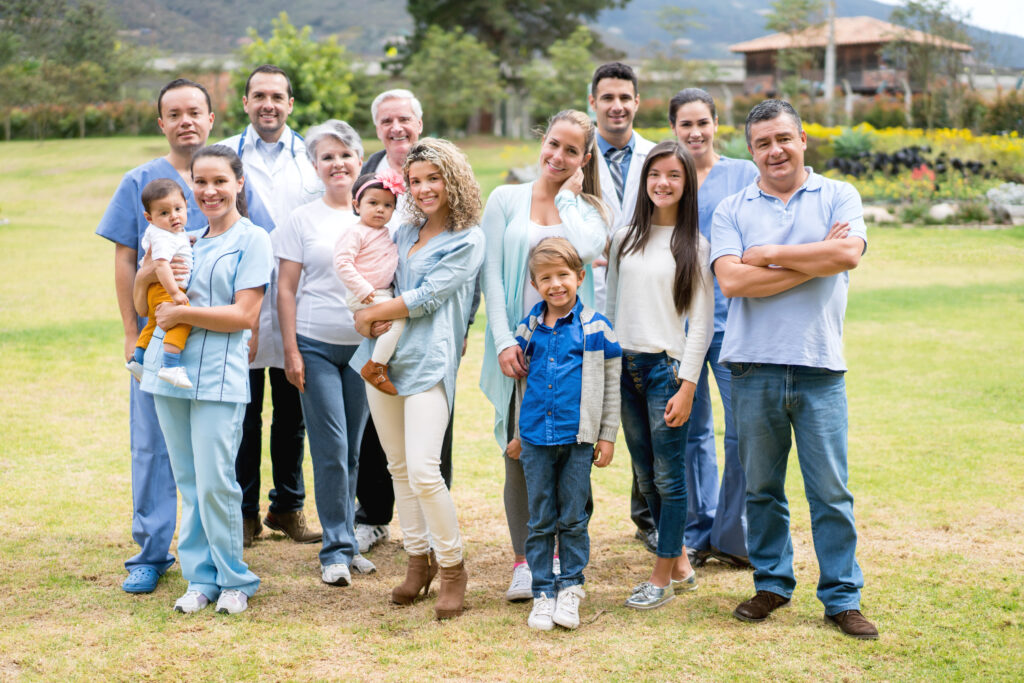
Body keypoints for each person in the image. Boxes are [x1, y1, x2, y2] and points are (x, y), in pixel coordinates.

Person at [711, 99, 878, 639]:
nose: (774, 150)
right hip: (752, 367)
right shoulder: (732, 208)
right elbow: (732, 283)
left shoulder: (839, 194)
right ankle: (772, 584)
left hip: (819, 366)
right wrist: (812, 262)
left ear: (802, 138)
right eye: (762, 142)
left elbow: (848, 256)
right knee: (762, 487)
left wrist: (767, 254)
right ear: (751, 149)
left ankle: (841, 597)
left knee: (830, 490)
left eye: (783, 138)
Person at [133, 145, 272, 615]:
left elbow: (244, 315)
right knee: (188, 481)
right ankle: (200, 578)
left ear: (238, 184)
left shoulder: (253, 240)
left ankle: (235, 578)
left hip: (217, 376)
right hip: (166, 373)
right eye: (200, 182)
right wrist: (149, 270)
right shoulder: (181, 238)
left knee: (216, 482)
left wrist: (182, 311)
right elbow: (142, 303)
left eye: (219, 181)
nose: (209, 191)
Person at [350, 138, 485, 620]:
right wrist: (364, 319)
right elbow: (374, 277)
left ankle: (452, 568)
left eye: (434, 178)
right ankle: (417, 560)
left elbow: (429, 296)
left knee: (427, 468)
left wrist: (371, 315)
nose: (424, 188)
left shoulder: (469, 237)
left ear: (453, 179)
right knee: (399, 469)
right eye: (415, 180)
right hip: (382, 360)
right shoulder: (403, 231)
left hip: (429, 361)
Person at [479, 109, 608, 602]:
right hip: (519, 351)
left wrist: (570, 196)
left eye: (571, 150)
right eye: (554, 144)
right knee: (520, 454)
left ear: (584, 158)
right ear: (543, 139)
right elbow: (491, 274)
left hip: (572, 352)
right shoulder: (505, 199)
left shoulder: (587, 208)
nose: (558, 156)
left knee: (570, 454)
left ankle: (564, 558)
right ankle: (524, 562)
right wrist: (503, 342)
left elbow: (586, 247)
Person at [96, 78, 216, 595]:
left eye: (195, 111)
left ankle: (213, 545)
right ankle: (150, 551)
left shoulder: (224, 175)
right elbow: (127, 258)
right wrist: (130, 330)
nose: (186, 119)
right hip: (155, 329)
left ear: (212, 119)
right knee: (151, 442)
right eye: (175, 113)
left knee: (214, 442)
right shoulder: (139, 180)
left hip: (214, 333)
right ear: (161, 123)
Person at [217, 65, 322, 548]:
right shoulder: (225, 157)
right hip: (243, 300)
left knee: (292, 414)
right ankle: (244, 514)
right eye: (259, 95)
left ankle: (288, 507)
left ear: (291, 104)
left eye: (277, 96)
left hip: (299, 304)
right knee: (243, 411)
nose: (268, 104)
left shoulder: (312, 156)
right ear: (245, 102)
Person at [606, 140, 714, 610]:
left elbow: (703, 323)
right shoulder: (625, 236)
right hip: (624, 366)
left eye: (673, 175)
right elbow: (610, 305)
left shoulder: (694, 245)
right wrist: (609, 367)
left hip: (665, 371)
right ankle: (683, 563)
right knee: (645, 476)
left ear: (686, 184)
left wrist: (688, 385)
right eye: (654, 175)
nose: (662, 183)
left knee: (669, 479)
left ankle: (662, 577)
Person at [276, 119, 376, 585]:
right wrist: (291, 351)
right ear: (316, 167)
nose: (337, 164)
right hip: (314, 349)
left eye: (345, 155)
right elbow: (286, 290)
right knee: (331, 447)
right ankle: (334, 551)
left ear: (360, 161)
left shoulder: (377, 216)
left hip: (363, 349)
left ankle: (348, 541)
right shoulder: (301, 219)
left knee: (353, 450)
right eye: (327, 157)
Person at [508, 238, 620, 631]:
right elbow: (522, 386)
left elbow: (610, 385)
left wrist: (606, 435)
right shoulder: (529, 328)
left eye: (563, 276)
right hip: (536, 438)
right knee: (540, 518)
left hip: (578, 439)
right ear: (535, 284)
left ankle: (570, 587)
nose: (555, 284)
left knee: (573, 516)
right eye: (545, 278)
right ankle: (543, 592)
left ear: (580, 277)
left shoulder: (597, 328)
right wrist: (521, 434)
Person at [670, 88, 759, 569]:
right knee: (690, 431)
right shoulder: (667, 176)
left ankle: (733, 531)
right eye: (686, 125)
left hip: (733, 322)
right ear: (674, 130)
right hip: (680, 326)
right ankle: (696, 530)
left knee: (741, 431)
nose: (695, 132)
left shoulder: (744, 174)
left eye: (702, 122)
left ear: (716, 123)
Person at [588, 61, 659, 553]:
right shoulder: (572, 152)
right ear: (593, 102)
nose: (617, 106)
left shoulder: (657, 156)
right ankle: (573, 521)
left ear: (637, 103)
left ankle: (649, 517)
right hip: (583, 297)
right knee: (582, 413)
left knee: (645, 419)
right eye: (607, 97)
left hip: (641, 301)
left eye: (625, 98)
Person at [334, 170, 406, 394]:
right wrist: (363, 288)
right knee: (399, 319)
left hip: (381, 292)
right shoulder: (356, 232)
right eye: (373, 203)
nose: (380, 209)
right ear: (357, 205)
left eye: (387, 206)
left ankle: (380, 362)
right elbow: (342, 262)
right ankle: (376, 366)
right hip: (366, 293)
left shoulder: (383, 233)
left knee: (391, 325)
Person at [125, 179, 195, 390]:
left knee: (154, 322)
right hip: (166, 288)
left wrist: (187, 239)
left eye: (177, 209)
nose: (173, 216)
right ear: (149, 218)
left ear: (185, 205)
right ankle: (171, 366)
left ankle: (137, 360)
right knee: (182, 319)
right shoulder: (163, 237)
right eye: (164, 213)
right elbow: (161, 266)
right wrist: (175, 293)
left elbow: (177, 240)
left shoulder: (169, 232)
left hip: (157, 291)